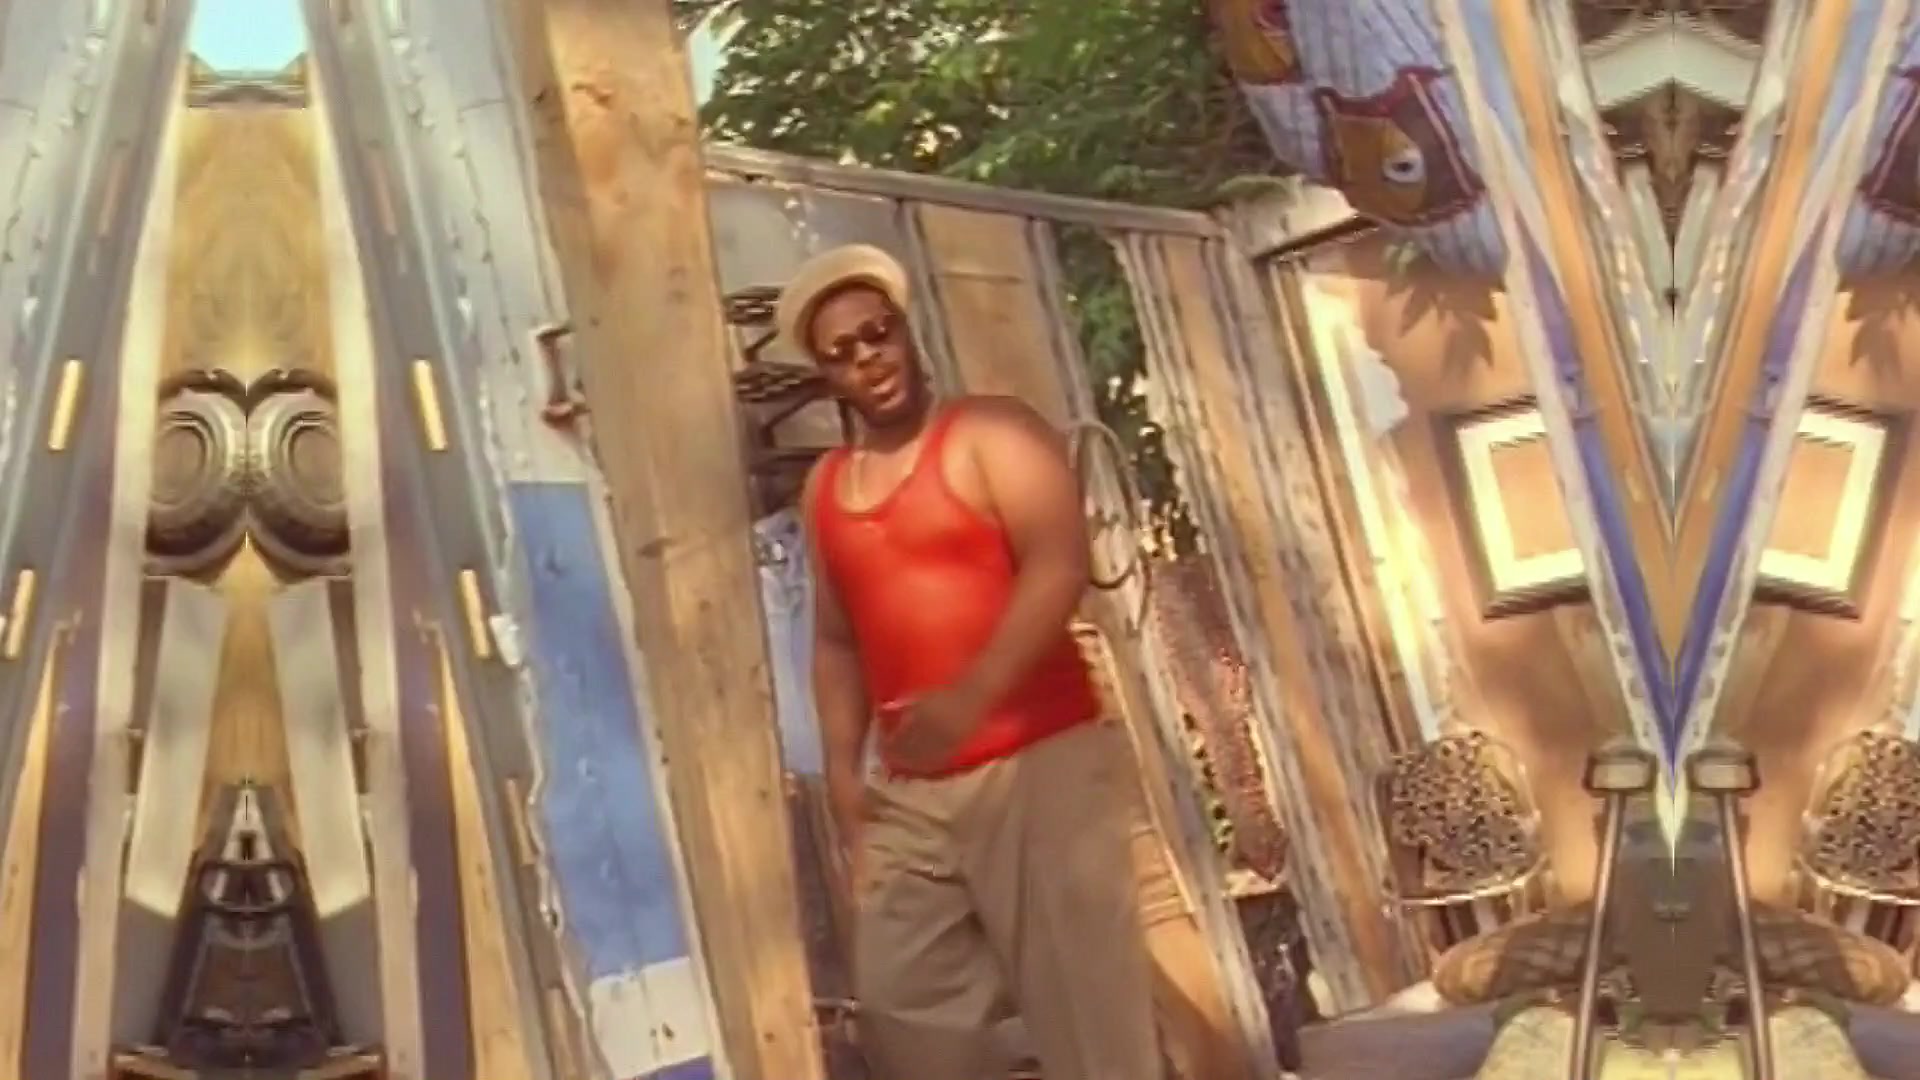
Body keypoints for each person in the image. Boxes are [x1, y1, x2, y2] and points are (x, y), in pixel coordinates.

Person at [777, 244, 1162, 1080]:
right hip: (913, 790)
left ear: (904, 332)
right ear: (827, 376)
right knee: (901, 1005)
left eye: (877, 332)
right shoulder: (826, 488)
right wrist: (843, 778)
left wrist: (972, 695)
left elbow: (1059, 564)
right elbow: (836, 640)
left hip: (1039, 760)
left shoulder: (991, 431)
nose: (868, 358)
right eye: (841, 352)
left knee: (1089, 1020)